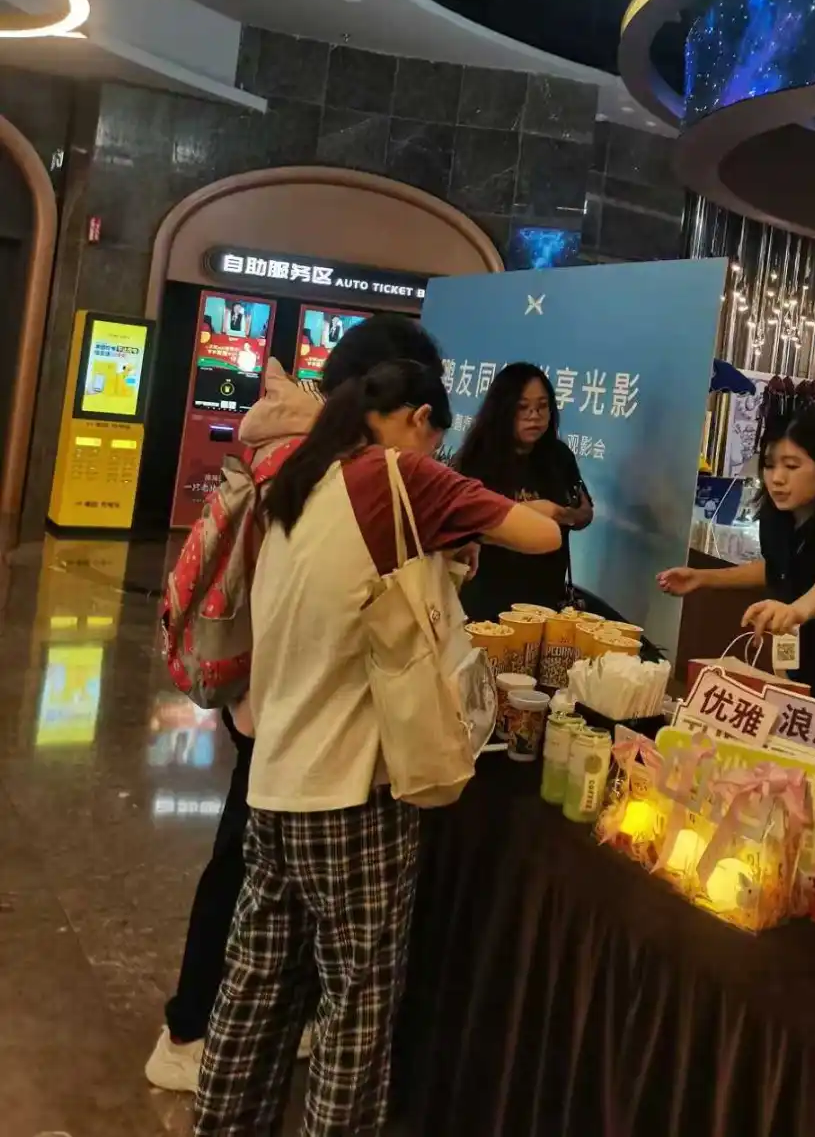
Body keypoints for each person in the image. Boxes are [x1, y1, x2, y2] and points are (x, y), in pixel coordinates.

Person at [194, 360, 561, 1136]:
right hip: (353, 797)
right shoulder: (398, 477)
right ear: (418, 420)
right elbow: (541, 533)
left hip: (274, 782)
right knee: (355, 1012)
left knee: (254, 988)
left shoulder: (297, 477)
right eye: (435, 437)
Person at [146, 314, 443, 1093]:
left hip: (264, 688)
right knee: (242, 869)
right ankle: (188, 1031)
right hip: (282, 697)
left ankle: (217, 1028)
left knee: (254, 872)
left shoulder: (296, 443)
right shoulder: (320, 462)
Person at [658, 411, 815, 710]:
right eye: (770, 465)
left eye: (792, 466)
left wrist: (796, 610)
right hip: (801, 670)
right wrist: (702, 577)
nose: (777, 478)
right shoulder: (778, 518)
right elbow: (779, 568)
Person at [454, 362, 593, 619]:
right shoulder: (477, 459)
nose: (534, 415)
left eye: (542, 406)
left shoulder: (560, 456)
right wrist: (527, 514)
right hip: (487, 598)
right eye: (522, 407)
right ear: (502, 410)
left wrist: (565, 516)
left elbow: (584, 512)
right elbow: (462, 528)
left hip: (544, 599)